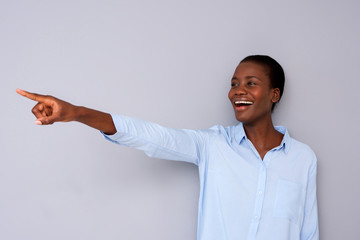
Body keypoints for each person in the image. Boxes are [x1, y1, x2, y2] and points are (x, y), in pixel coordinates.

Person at [17, 55, 318, 240]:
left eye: (251, 83)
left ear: (274, 94)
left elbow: (308, 232)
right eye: (234, 82)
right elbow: (153, 136)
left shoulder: (302, 158)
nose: (238, 90)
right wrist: (77, 113)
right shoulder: (213, 145)